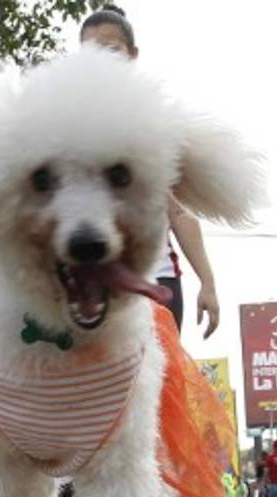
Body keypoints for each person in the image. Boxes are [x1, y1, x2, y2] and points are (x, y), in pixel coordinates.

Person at [78, 4, 221, 338]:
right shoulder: (60, 126)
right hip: (88, 285)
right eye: (90, 52)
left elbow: (179, 212)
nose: (101, 61)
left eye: (111, 50)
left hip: (156, 282)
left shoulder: (159, 125)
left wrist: (208, 282)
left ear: (133, 55)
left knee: (158, 387)